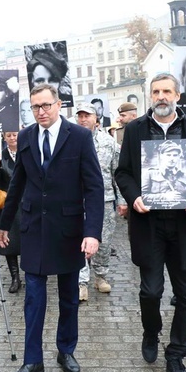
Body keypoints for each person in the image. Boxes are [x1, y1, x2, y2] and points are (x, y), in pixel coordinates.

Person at [115, 73, 186, 372]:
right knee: (150, 290)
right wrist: (133, 198)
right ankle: (151, 330)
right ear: (150, 96)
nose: (161, 96)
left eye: (166, 91)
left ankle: (176, 354)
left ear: (177, 95)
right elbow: (123, 172)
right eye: (156, 91)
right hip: (149, 223)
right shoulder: (134, 131)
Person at [0, 83, 104, 372]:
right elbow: (17, 182)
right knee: (33, 297)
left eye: (46, 105)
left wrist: (92, 232)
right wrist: (4, 225)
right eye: (35, 107)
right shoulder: (27, 136)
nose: (41, 112)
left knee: (69, 296)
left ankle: (66, 350)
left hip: (69, 229)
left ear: (58, 105)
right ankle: (33, 362)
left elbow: (94, 186)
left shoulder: (80, 137)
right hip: (33, 229)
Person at [74, 103, 122, 300]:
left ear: (96, 119)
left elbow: (117, 173)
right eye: (80, 116)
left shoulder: (109, 143)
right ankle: (81, 281)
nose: (83, 119)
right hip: (77, 200)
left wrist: (123, 200)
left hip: (104, 200)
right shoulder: (71, 140)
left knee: (102, 241)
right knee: (79, 241)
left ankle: (101, 276)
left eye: (87, 116)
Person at [0, 131, 22, 293]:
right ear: (4, 137)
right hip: (8, 203)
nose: (12, 138)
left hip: (26, 202)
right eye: (9, 135)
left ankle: (31, 272)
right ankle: (15, 276)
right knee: (10, 242)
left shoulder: (27, 151)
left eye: (15, 135)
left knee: (28, 240)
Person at [141, 140, 186, 209]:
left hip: (180, 214)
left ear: (178, 157)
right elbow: (143, 197)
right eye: (168, 155)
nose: (172, 158)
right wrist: (165, 197)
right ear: (162, 156)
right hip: (156, 213)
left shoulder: (185, 175)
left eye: (175, 155)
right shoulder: (150, 173)